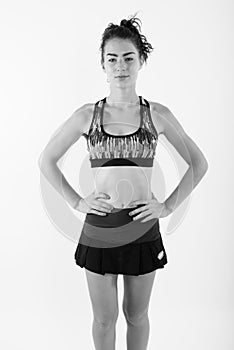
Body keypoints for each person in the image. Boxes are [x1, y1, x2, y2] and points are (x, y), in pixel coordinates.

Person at [38, 14, 208, 350]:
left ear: (141, 61)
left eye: (128, 58)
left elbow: (198, 163)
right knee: (103, 320)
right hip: (100, 227)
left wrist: (167, 205)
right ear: (102, 64)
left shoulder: (155, 114)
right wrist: (76, 201)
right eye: (112, 59)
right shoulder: (89, 115)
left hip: (142, 227)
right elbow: (46, 160)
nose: (120, 66)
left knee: (136, 315)